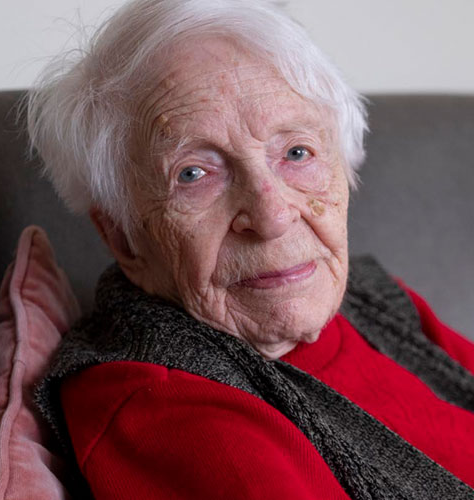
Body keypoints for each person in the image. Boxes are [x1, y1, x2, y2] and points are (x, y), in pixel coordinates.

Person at [24, 0, 474, 498]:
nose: (272, 216)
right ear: (123, 239)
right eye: (193, 173)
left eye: (296, 152)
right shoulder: (167, 406)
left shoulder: (373, 297)